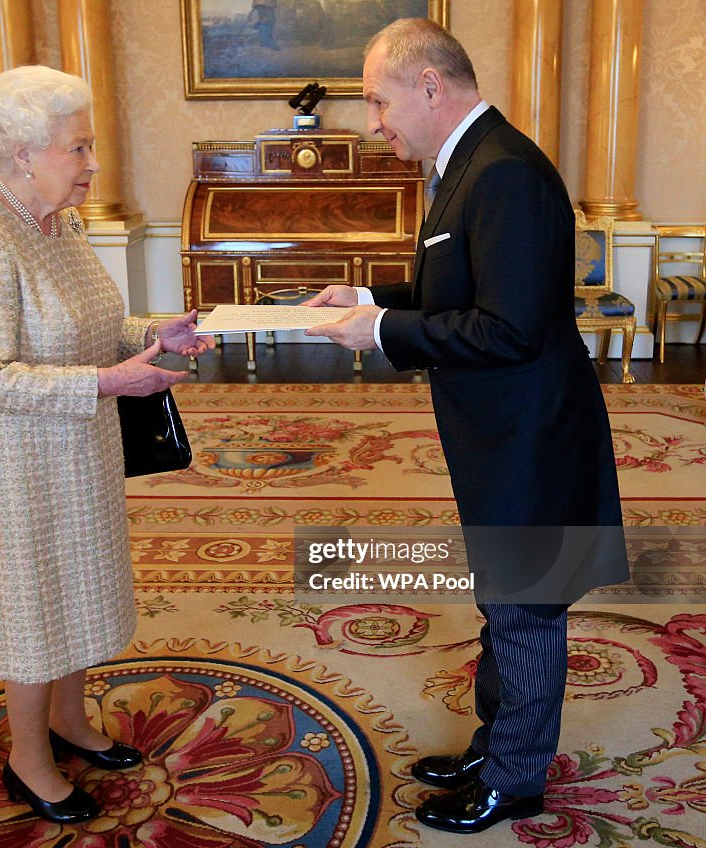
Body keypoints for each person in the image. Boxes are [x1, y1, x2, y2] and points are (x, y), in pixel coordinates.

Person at [304, 18, 628, 835]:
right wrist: (370, 300)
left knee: (525, 607)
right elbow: (458, 289)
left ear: (429, 87)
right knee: (502, 597)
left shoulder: (504, 173)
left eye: (379, 101)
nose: (375, 121)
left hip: (529, 439)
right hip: (500, 435)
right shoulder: (470, 166)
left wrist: (379, 332)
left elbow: (508, 330)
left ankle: (516, 779)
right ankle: (496, 745)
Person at [0, 65, 213, 825]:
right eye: (79, 148)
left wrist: (156, 337)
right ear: (23, 151)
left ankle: (70, 721)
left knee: (77, 589)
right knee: (29, 608)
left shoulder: (62, 224)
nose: (93, 165)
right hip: (11, 461)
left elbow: (89, 332)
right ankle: (28, 758)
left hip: (76, 445)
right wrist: (110, 384)